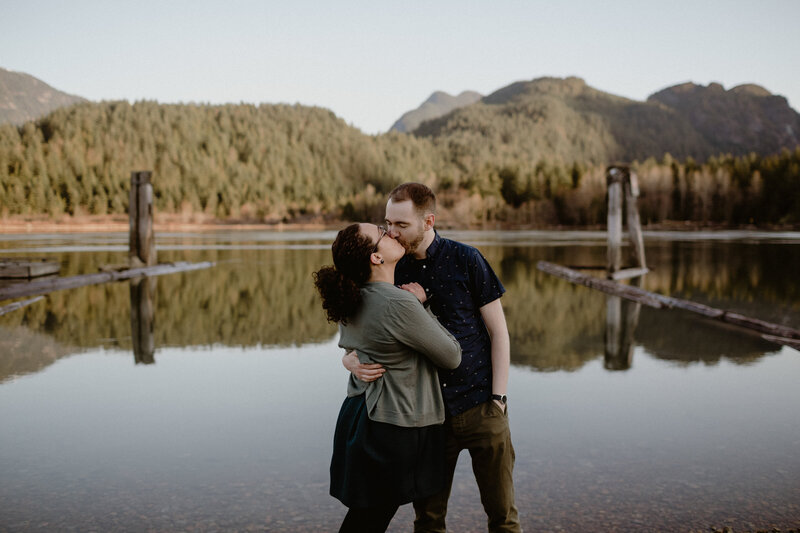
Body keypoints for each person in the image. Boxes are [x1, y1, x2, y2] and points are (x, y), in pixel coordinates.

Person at [343, 183, 521, 532]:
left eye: (401, 225)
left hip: (481, 406)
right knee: (428, 519)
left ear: (429, 221)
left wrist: (498, 399)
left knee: (503, 517)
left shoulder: (467, 259)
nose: (392, 232)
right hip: (428, 419)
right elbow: (366, 330)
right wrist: (349, 360)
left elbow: (499, 333)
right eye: (387, 223)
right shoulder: (390, 269)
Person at [314, 222, 462, 533]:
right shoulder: (398, 302)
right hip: (392, 426)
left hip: (358, 416)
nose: (391, 232)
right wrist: (424, 306)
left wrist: (347, 360)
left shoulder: (351, 297)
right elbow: (451, 356)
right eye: (383, 232)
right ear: (376, 258)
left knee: (366, 518)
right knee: (369, 521)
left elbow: (355, 349)